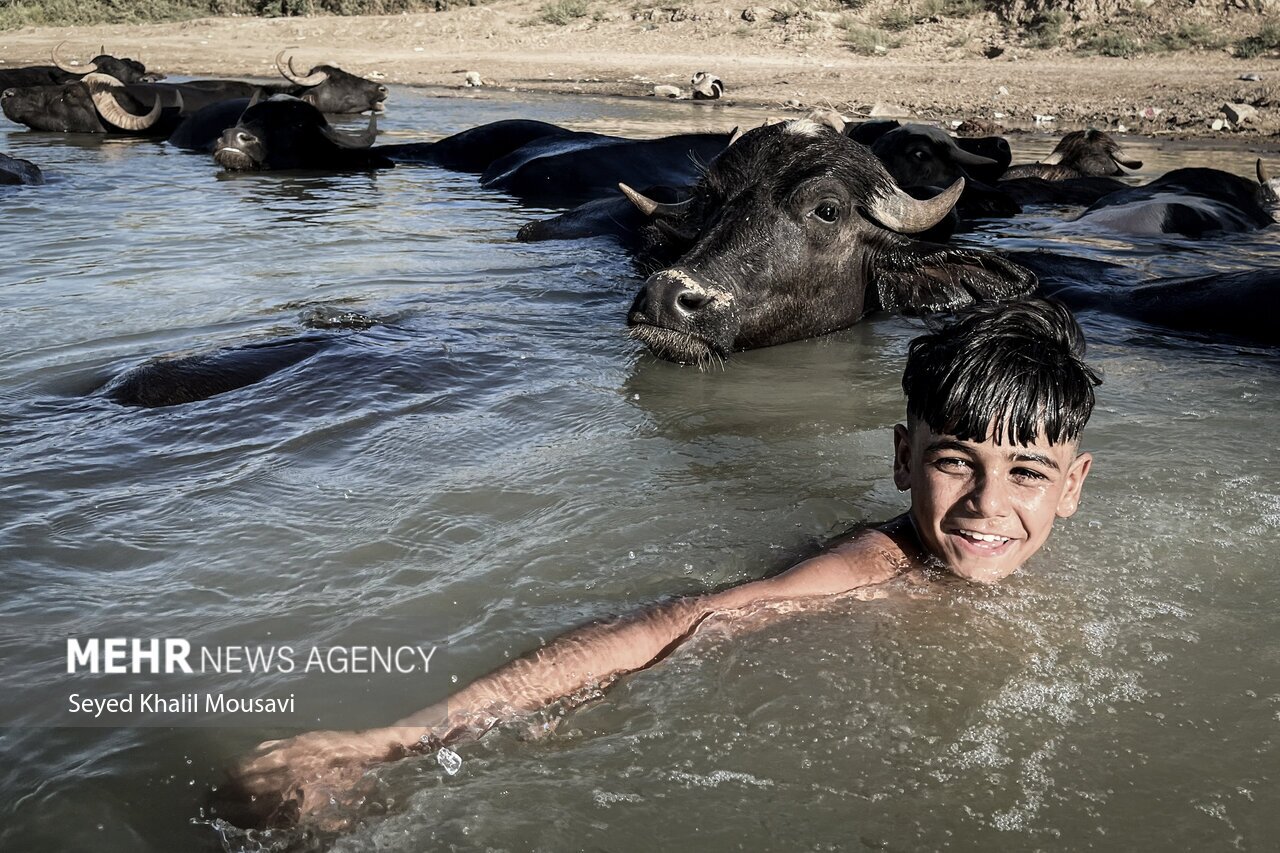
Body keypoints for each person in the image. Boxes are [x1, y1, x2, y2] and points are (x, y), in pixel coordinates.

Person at [220, 297, 1100, 829]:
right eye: (957, 461)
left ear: (1072, 485)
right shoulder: (873, 566)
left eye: (1026, 473)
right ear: (904, 457)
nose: (988, 504)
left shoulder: (977, 553)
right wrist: (391, 740)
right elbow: (683, 619)